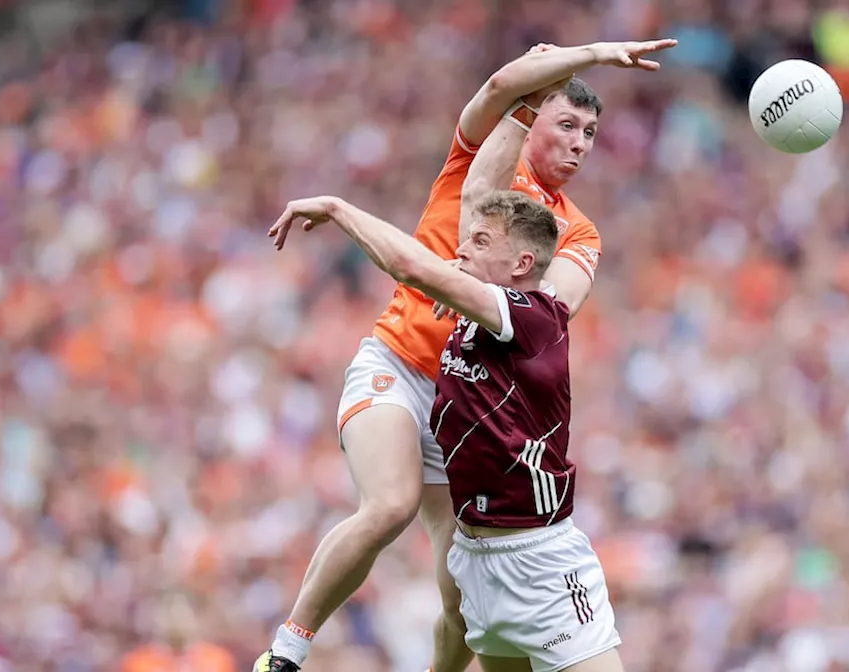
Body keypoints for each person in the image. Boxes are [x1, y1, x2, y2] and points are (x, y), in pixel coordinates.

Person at [254, 39, 676, 672]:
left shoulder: (575, 229)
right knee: (390, 505)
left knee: (462, 595)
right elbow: (503, 83)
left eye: (591, 133)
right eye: (568, 124)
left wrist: (487, 300)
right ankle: (286, 652)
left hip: (465, 402)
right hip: (399, 366)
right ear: (532, 116)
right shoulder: (477, 160)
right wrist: (593, 53)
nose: (581, 143)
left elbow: (554, 307)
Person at [268, 189, 623, 671]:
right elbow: (476, 188)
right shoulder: (470, 314)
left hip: (541, 562)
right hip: (478, 563)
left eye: (478, 241)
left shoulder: (531, 317)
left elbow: (411, 266)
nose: (460, 249)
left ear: (521, 263)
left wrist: (337, 208)